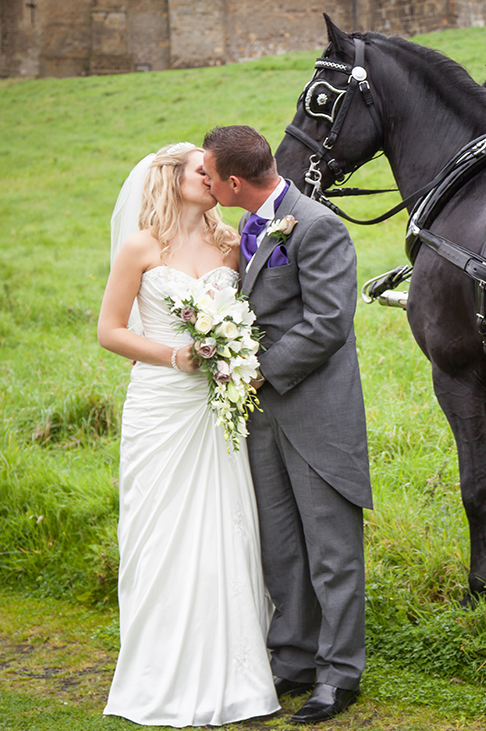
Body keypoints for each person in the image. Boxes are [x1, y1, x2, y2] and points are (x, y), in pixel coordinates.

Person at [97, 142, 279, 726]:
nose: (213, 177)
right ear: (171, 179)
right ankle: (159, 671)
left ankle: (237, 670)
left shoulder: (231, 243)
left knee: (227, 527)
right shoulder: (141, 246)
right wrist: (174, 356)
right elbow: (109, 330)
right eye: (201, 170)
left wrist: (232, 356)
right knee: (162, 531)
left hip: (216, 406)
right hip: (161, 406)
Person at [201, 125, 372, 725]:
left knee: (332, 551)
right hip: (263, 417)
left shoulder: (316, 225)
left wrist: (258, 372)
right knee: (281, 546)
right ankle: (295, 658)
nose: (206, 182)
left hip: (316, 412)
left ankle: (340, 673)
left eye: (209, 174)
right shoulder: (246, 228)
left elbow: (328, 322)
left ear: (235, 181)